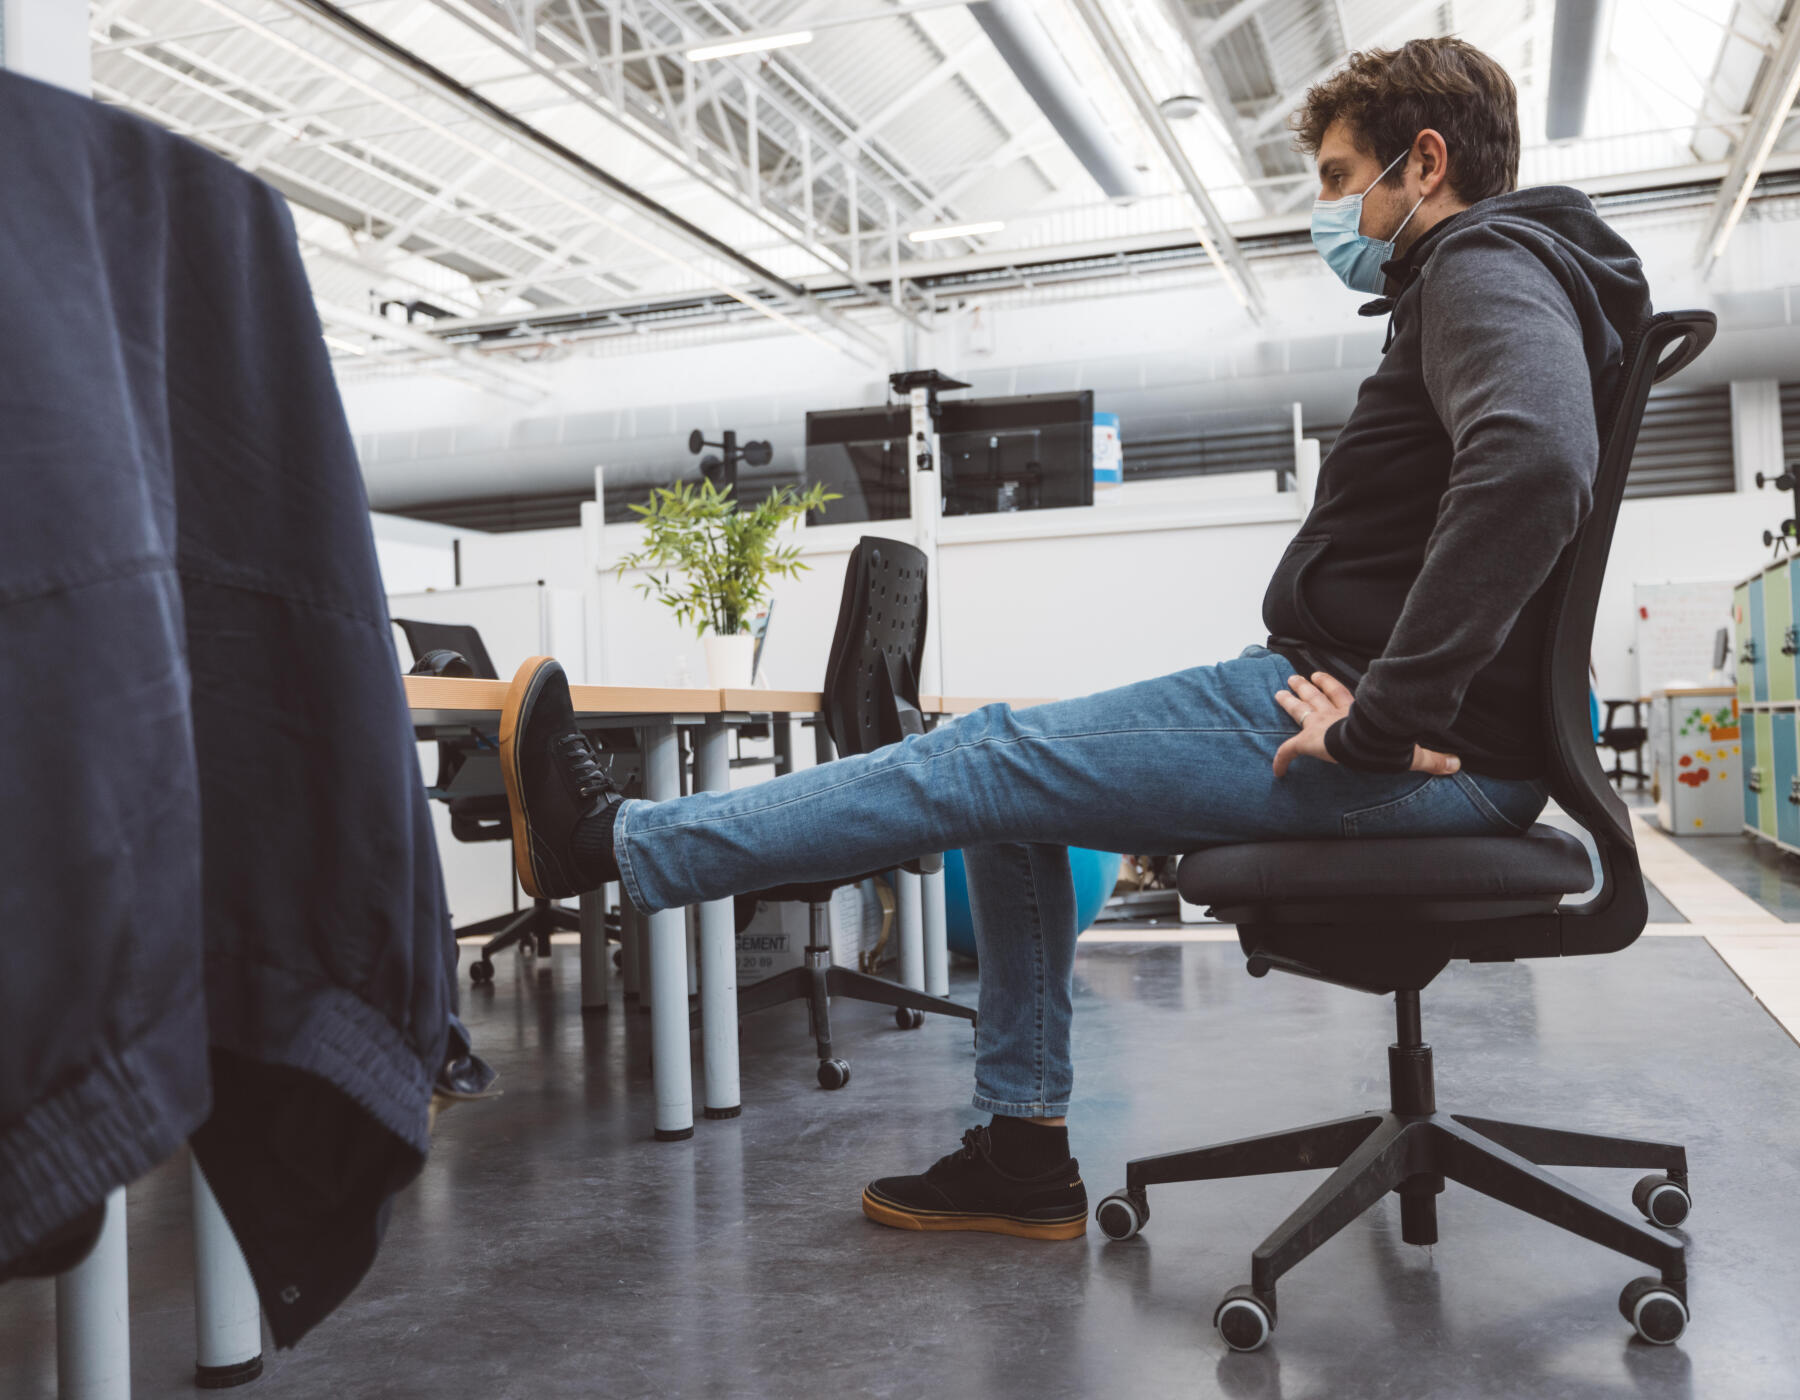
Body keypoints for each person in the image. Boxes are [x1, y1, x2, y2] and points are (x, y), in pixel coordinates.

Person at [495, 35, 1650, 1241]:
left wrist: (1383, 721)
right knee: (1009, 788)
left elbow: (1533, 464)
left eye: (1337, 174)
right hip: (1387, 716)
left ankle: (614, 844)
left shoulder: (1482, 261)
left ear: (1426, 162)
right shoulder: (1507, 276)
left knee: (977, 756)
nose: (1327, 210)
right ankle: (1021, 1148)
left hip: (1397, 741)